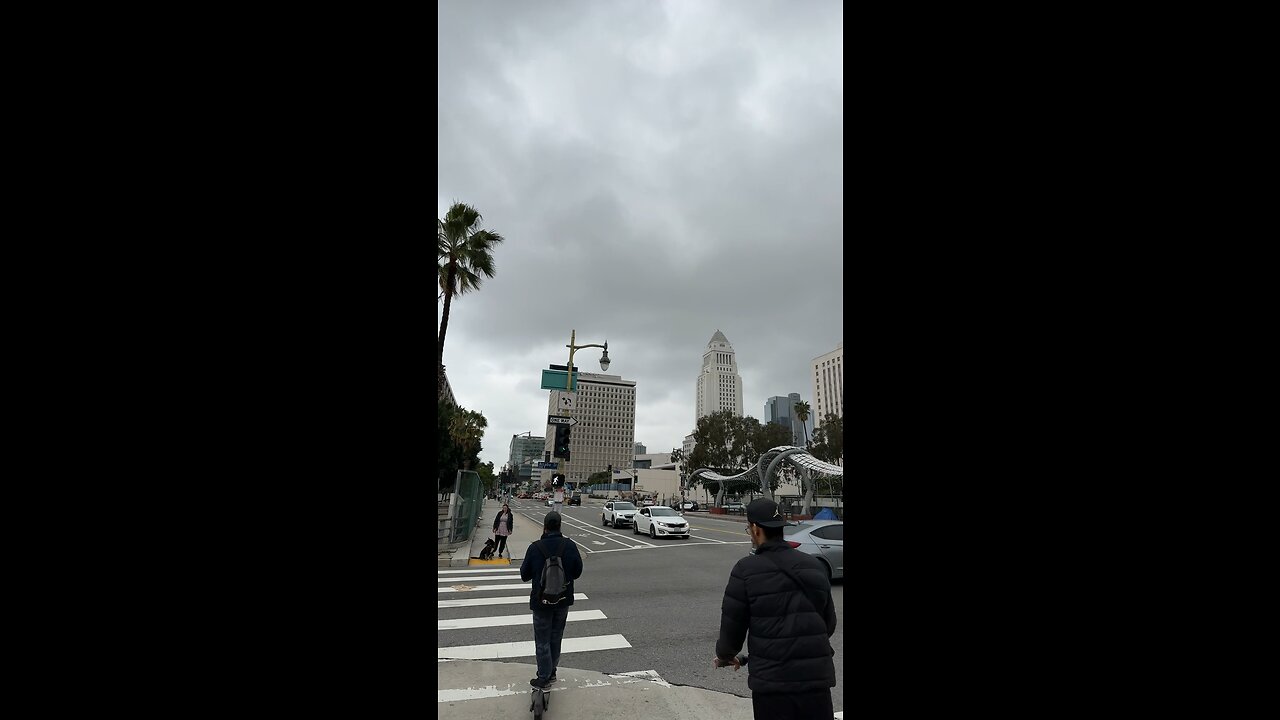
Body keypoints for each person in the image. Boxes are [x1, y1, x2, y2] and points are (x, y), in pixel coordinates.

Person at [713, 498, 836, 720]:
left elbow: (732, 627)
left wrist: (726, 655)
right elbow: (828, 624)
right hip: (815, 681)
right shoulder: (815, 566)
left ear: (756, 529)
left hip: (773, 684)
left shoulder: (745, 570)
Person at [519, 511, 583, 689]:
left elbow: (524, 575)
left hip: (541, 601)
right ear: (560, 526)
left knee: (542, 640)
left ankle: (543, 676)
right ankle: (552, 671)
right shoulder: (569, 546)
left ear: (545, 527)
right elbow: (577, 572)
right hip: (562, 600)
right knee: (556, 637)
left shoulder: (535, 547)